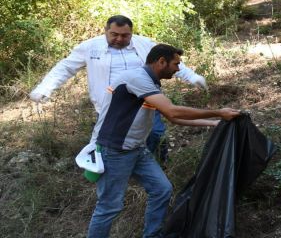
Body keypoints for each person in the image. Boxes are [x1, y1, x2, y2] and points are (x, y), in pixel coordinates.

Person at [82, 44, 240, 238]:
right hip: (115, 150)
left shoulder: (150, 82)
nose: (178, 69)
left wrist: (214, 124)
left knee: (162, 188)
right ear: (160, 61)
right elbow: (174, 111)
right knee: (109, 206)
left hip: (136, 149)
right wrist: (218, 112)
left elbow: (171, 117)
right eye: (176, 63)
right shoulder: (137, 78)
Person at [28, 15, 208, 156]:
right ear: (106, 31)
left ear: (131, 33)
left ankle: (158, 167)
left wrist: (192, 76)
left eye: (125, 35)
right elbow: (66, 67)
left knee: (155, 135)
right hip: (110, 107)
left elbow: (169, 59)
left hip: (146, 102)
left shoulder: (144, 43)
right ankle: (116, 172)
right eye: (114, 34)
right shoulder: (90, 47)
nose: (120, 39)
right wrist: (45, 88)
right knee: (112, 143)